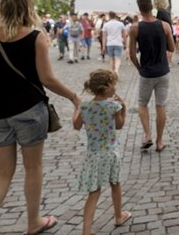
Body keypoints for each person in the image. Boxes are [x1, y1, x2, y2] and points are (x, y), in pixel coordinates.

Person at [0, 0, 81, 235]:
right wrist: (73, 96)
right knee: (33, 168)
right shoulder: (36, 36)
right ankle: (33, 222)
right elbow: (47, 79)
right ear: (27, 9)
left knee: (1, 173)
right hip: (29, 110)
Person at [73, 69, 131, 234]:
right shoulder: (114, 106)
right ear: (106, 88)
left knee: (94, 192)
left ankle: (86, 231)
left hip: (94, 155)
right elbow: (119, 126)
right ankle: (119, 216)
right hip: (111, 153)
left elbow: (76, 126)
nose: (115, 88)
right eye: (114, 85)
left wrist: (76, 109)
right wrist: (124, 108)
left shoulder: (85, 107)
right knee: (115, 184)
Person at [129, 0, 175, 151]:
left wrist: (139, 68)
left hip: (146, 73)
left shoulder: (135, 28)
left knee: (142, 104)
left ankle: (148, 135)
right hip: (163, 71)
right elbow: (172, 48)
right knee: (160, 106)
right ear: (151, 7)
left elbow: (132, 55)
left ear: (140, 9)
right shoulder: (164, 26)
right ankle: (159, 142)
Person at [153, 0, 174, 65]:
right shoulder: (165, 12)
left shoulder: (160, 12)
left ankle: (166, 63)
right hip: (166, 35)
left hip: (162, 35)